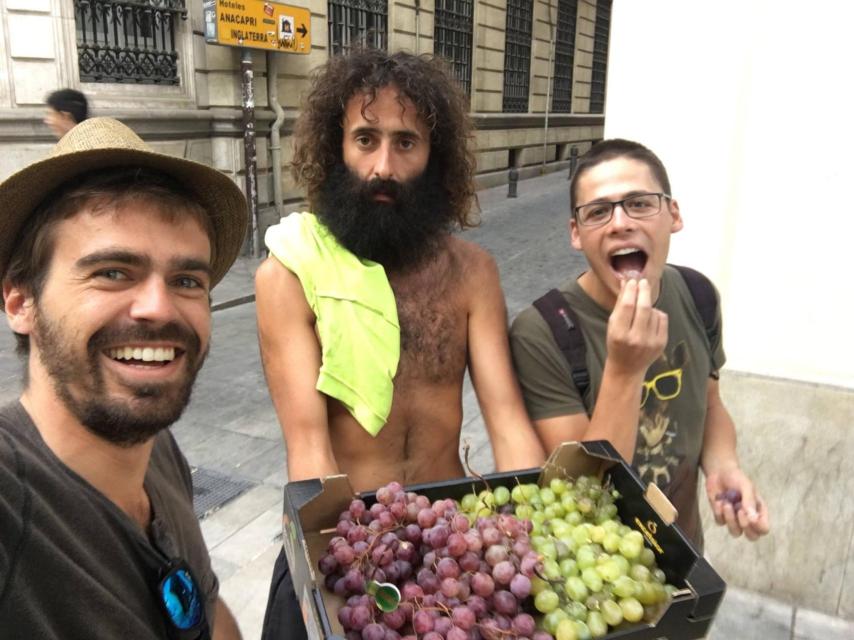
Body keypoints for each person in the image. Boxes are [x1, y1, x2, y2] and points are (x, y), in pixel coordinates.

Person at [255, 49, 546, 639]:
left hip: (450, 544)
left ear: (435, 157)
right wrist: (348, 580)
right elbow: (309, 452)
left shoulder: (472, 272)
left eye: (406, 143)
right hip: (345, 543)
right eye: (365, 140)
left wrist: (535, 538)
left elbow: (508, 421)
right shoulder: (290, 274)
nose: (383, 166)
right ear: (336, 148)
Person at [0, 117, 248, 639]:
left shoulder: (158, 452)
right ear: (21, 303)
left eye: (186, 280)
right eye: (112, 272)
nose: (159, 307)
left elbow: (206, 606)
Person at [510, 139, 770, 550]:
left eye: (639, 204)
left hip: (681, 548)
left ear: (673, 215)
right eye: (598, 212)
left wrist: (723, 465)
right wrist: (624, 370)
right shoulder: (542, 331)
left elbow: (709, 403)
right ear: (576, 234)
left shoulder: (698, 295)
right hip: (598, 565)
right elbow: (580, 491)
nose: (620, 223)